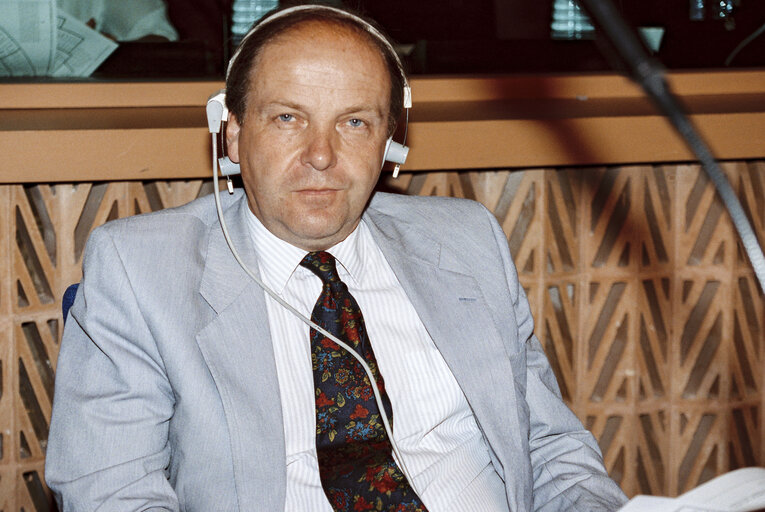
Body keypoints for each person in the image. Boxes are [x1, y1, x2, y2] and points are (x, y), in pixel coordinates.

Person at [45, 4, 628, 511]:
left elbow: (550, 449)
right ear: (231, 135)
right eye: (287, 118)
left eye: (354, 122)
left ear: (391, 144)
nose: (320, 155)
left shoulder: (467, 241)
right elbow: (110, 492)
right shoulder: (140, 270)